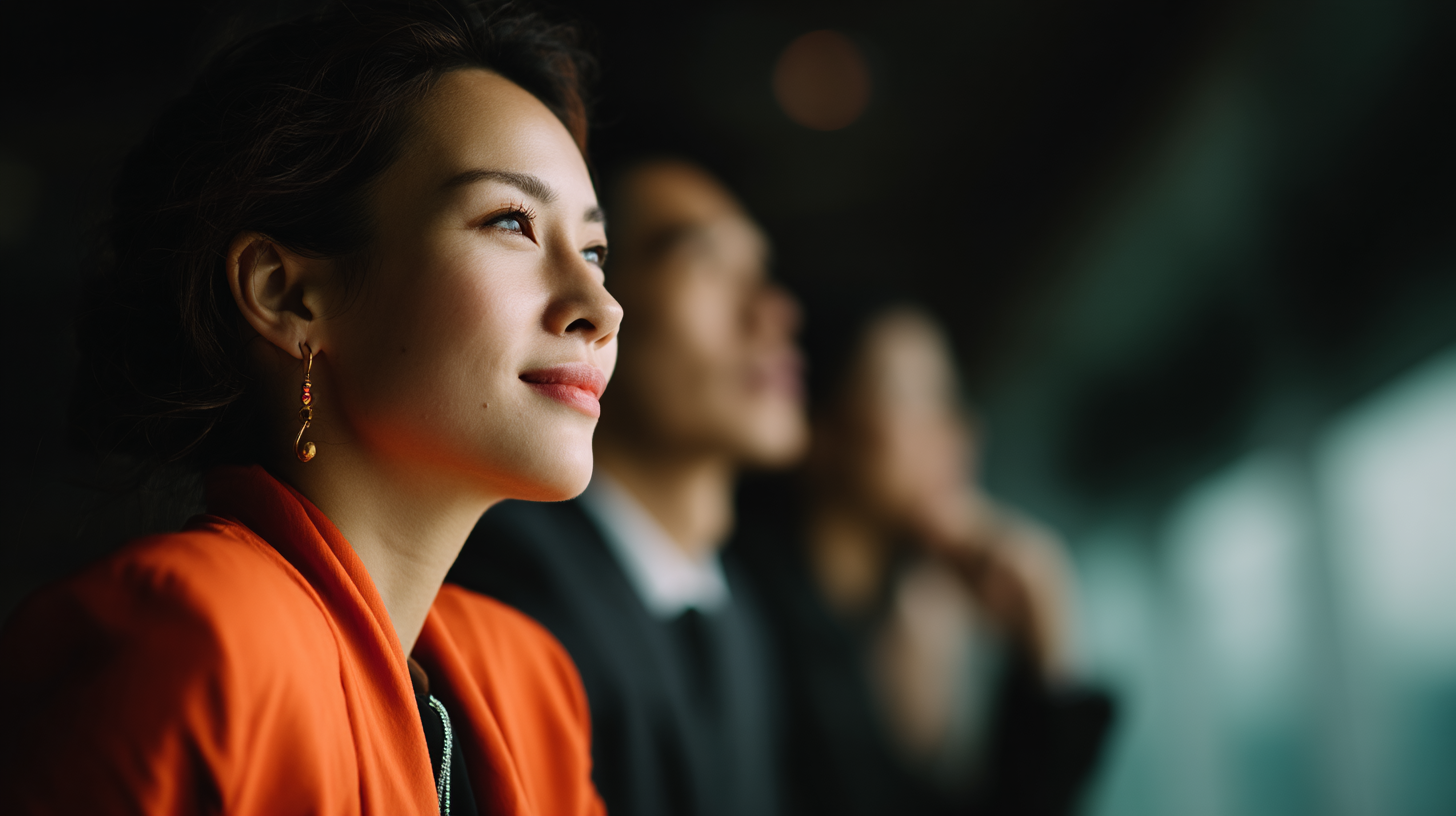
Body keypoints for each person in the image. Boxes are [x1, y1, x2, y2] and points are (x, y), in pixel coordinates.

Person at [0, 3, 619, 814]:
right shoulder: (192, 643)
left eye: (597, 251)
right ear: (285, 293)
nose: (598, 307)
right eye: (512, 221)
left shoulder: (532, 685)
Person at [448, 158, 806, 816]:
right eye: (705, 263)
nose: (773, 312)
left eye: (762, 272)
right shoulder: (507, 582)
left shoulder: (745, 622)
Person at [735, 304, 1115, 816]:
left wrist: (1040, 634)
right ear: (820, 429)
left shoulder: (891, 620)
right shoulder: (755, 618)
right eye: (913, 393)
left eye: (950, 396)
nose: (954, 427)